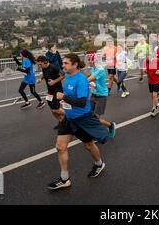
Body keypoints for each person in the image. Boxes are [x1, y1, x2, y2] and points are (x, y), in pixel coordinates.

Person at [48, 53, 109, 190]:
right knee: (60, 147)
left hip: (82, 118)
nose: (63, 65)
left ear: (75, 64)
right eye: (63, 63)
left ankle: (99, 163)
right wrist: (64, 101)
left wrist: (64, 96)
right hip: (69, 118)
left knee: (88, 145)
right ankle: (64, 179)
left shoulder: (81, 79)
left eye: (66, 63)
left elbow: (82, 102)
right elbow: (71, 97)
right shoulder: (68, 78)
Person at [85, 53, 116, 138]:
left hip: (101, 96)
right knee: (90, 115)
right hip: (94, 94)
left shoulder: (100, 70)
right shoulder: (93, 69)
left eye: (90, 60)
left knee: (96, 118)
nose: (88, 62)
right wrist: (80, 71)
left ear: (94, 61)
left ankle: (110, 125)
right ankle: (95, 132)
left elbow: (91, 79)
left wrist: (81, 81)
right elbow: (89, 76)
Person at [36, 55, 65, 129]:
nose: (39, 66)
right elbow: (45, 74)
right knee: (52, 109)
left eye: (40, 64)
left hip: (57, 91)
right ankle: (61, 122)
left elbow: (63, 75)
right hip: (50, 92)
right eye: (38, 64)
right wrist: (40, 79)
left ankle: (71, 116)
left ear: (45, 62)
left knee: (56, 109)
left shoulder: (53, 67)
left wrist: (54, 82)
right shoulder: (44, 68)